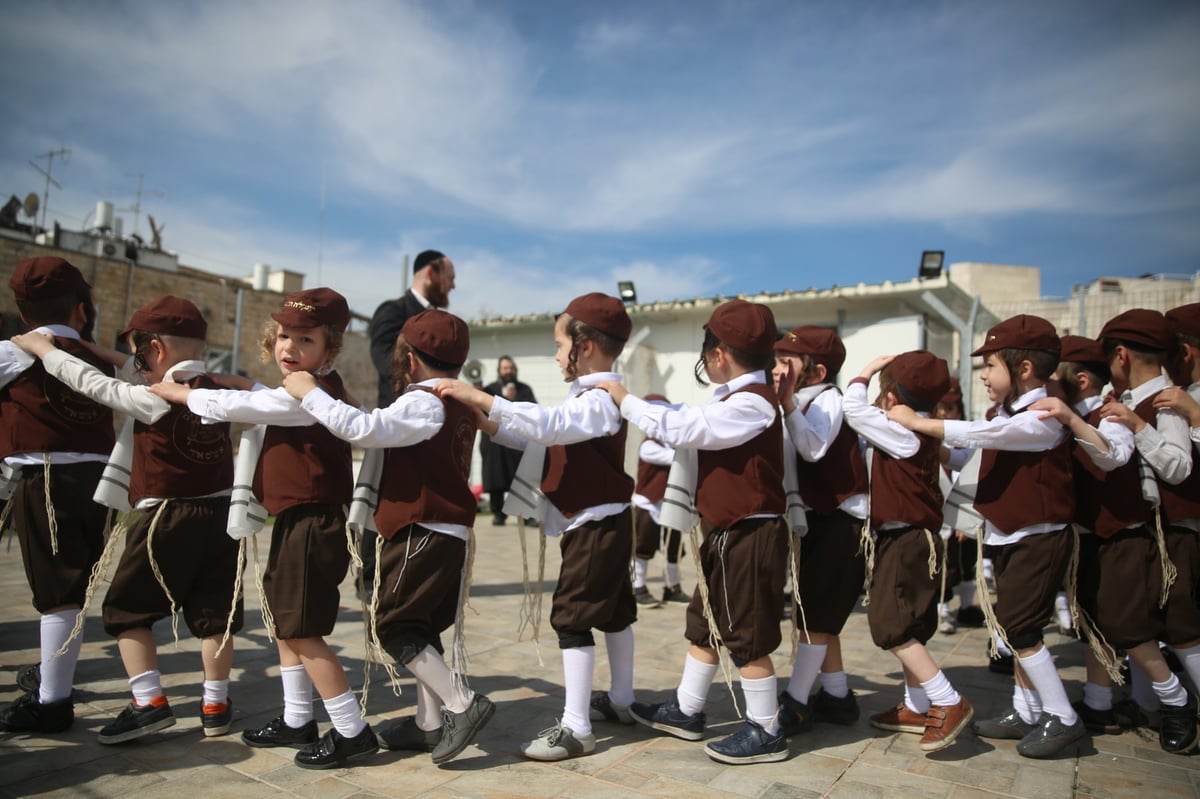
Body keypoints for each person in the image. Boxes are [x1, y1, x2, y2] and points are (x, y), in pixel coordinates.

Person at [151, 288, 378, 769]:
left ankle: (351, 730)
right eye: (283, 336)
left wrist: (181, 393)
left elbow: (252, 407)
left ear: (330, 349)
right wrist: (232, 383)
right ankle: (298, 718)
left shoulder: (308, 395)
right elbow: (261, 396)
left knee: (303, 629)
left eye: (305, 339)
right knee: (284, 622)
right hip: (296, 518)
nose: (288, 347)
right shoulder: (306, 387)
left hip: (314, 522)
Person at [10, 295, 241, 744]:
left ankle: (148, 701)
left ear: (155, 350)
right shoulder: (217, 390)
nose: (134, 367)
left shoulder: (151, 398)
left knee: (127, 612)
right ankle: (216, 703)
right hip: (220, 517)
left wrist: (46, 351)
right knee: (216, 614)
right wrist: (112, 353)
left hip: (166, 518)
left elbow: (92, 384)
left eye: (139, 356)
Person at [284, 309, 495, 766]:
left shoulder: (422, 400)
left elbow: (365, 431)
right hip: (446, 531)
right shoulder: (453, 402)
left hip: (423, 528)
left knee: (395, 626)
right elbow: (382, 425)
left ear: (411, 360)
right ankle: (428, 723)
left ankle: (461, 703)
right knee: (420, 628)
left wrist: (309, 393)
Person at [436, 293, 637, 762]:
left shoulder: (602, 400)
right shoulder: (587, 397)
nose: (555, 353)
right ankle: (622, 701)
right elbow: (546, 435)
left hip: (596, 523)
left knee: (573, 617)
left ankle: (577, 727)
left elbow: (551, 427)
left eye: (559, 343)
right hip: (598, 520)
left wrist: (480, 397)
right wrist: (490, 424)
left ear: (584, 346)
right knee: (613, 611)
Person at [599, 299, 791, 765]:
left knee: (746, 634)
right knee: (704, 625)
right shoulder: (736, 399)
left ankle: (767, 729)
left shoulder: (751, 404)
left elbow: (684, 427)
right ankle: (687, 709)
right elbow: (690, 419)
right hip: (726, 532)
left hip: (750, 534)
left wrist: (625, 401)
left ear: (718, 354)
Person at [889, 315, 1084, 759]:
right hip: (1009, 534)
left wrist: (919, 423)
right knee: (1015, 628)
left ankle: (1063, 717)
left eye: (991, 365)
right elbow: (973, 452)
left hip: (1039, 535)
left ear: (1024, 370)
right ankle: (1026, 710)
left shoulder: (1043, 414)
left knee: (1020, 628)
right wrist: (935, 447)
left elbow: (988, 434)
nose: (983, 375)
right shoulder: (1006, 413)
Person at [1035, 332, 1196, 753]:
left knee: (1130, 623)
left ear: (1084, 378)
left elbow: (1121, 458)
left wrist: (1083, 423)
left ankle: (1176, 701)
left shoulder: (1122, 412)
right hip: (1093, 533)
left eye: (1058, 373)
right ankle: (1099, 703)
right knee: (1092, 620)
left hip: (1125, 533)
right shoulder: (1087, 410)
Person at [0, 257, 114, 735]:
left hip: (44, 481)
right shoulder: (96, 356)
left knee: (58, 595)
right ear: (81, 309)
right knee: (73, 589)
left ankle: (53, 701)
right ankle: (53, 679)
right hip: (98, 483)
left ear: (22, 310)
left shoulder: (13, 353)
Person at [842, 351, 974, 753]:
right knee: (912, 623)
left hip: (905, 540)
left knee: (891, 624)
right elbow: (962, 455)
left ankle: (947, 700)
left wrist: (867, 368)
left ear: (892, 395)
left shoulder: (898, 429)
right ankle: (916, 706)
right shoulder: (926, 430)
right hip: (923, 539)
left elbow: (851, 408)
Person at [1095, 309, 1200, 739]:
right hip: (1140, 531)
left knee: (1180, 625)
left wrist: (1138, 424)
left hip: (1171, 531)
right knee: (1125, 617)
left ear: (1121, 355)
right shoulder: (1129, 397)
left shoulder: (1166, 401)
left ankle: (1174, 703)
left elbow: (1177, 467)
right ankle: (1161, 700)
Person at [771, 326, 868, 737]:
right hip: (821, 518)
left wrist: (788, 403)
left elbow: (812, 448)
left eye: (785, 361)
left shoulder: (828, 400)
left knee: (815, 616)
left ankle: (796, 700)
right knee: (817, 612)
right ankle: (837, 695)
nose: (776, 369)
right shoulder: (807, 400)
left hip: (841, 519)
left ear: (816, 370)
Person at [363, 250, 457, 595]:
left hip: (434, 435)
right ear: (430, 272)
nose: (454, 285)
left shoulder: (443, 322)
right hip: (398, 431)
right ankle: (375, 587)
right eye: (450, 276)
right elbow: (387, 364)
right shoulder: (393, 312)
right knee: (386, 512)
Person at [933, 379, 986, 634]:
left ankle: (966, 606)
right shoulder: (932, 435)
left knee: (968, 561)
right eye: (941, 408)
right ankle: (942, 609)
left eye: (950, 408)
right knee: (946, 563)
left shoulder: (969, 436)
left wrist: (967, 515)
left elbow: (971, 475)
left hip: (966, 506)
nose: (945, 413)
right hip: (941, 512)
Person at [630, 394, 688, 606]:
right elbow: (674, 458)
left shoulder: (672, 444)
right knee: (642, 548)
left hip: (670, 506)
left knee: (674, 547)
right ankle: (637, 587)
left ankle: (672, 587)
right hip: (648, 505)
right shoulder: (649, 446)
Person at [480, 356, 536, 526]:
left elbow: (533, 412)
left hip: (516, 441)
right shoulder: (489, 390)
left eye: (511, 368)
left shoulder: (524, 389)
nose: (508, 371)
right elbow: (482, 412)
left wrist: (513, 400)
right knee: (496, 476)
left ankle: (526, 514)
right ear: (499, 370)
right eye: (505, 368)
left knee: (520, 477)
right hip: (494, 442)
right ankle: (498, 513)